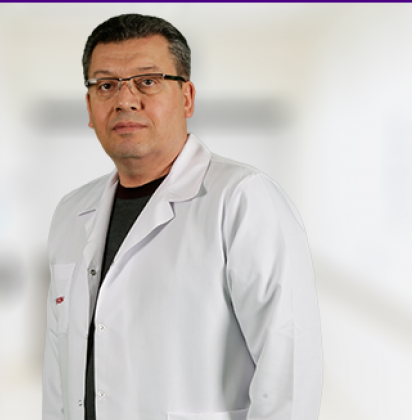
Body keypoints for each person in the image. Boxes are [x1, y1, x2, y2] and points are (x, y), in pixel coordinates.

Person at [43, 14, 322, 420]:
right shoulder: (71, 213)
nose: (125, 100)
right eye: (106, 85)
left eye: (148, 81)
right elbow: (58, 371)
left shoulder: (242, 199)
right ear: (89, 106)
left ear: (187, 97)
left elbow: (289, 372)